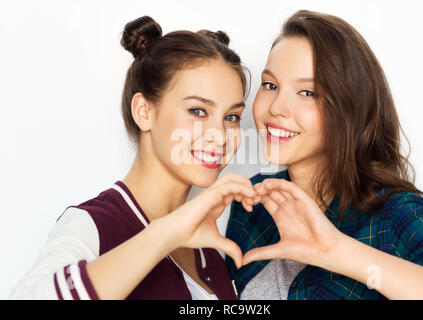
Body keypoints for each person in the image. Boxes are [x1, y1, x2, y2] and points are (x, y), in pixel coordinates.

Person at [10, 15, 257, 300]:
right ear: (144, 111)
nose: (220, 135)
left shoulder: (208, 249)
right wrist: (164, 235)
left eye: (231, 117)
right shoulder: (91, 225)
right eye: (198, 111)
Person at [226, 10, 423, 300]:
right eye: (270, 85)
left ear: (348, 109)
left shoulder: (393, 213)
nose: (277, 107)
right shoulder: (252, 205)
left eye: (308, 93)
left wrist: (335, 250)